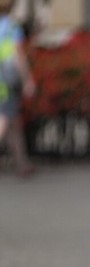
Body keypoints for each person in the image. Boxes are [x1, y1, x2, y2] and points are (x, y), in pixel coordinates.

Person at [0, 0, 35, 177]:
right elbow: (18, 56)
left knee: (13, 123)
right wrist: (27, 79)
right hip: (5, 81)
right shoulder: (11, 28)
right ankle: (22, 163)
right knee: (5, 119)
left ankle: (22, 163)